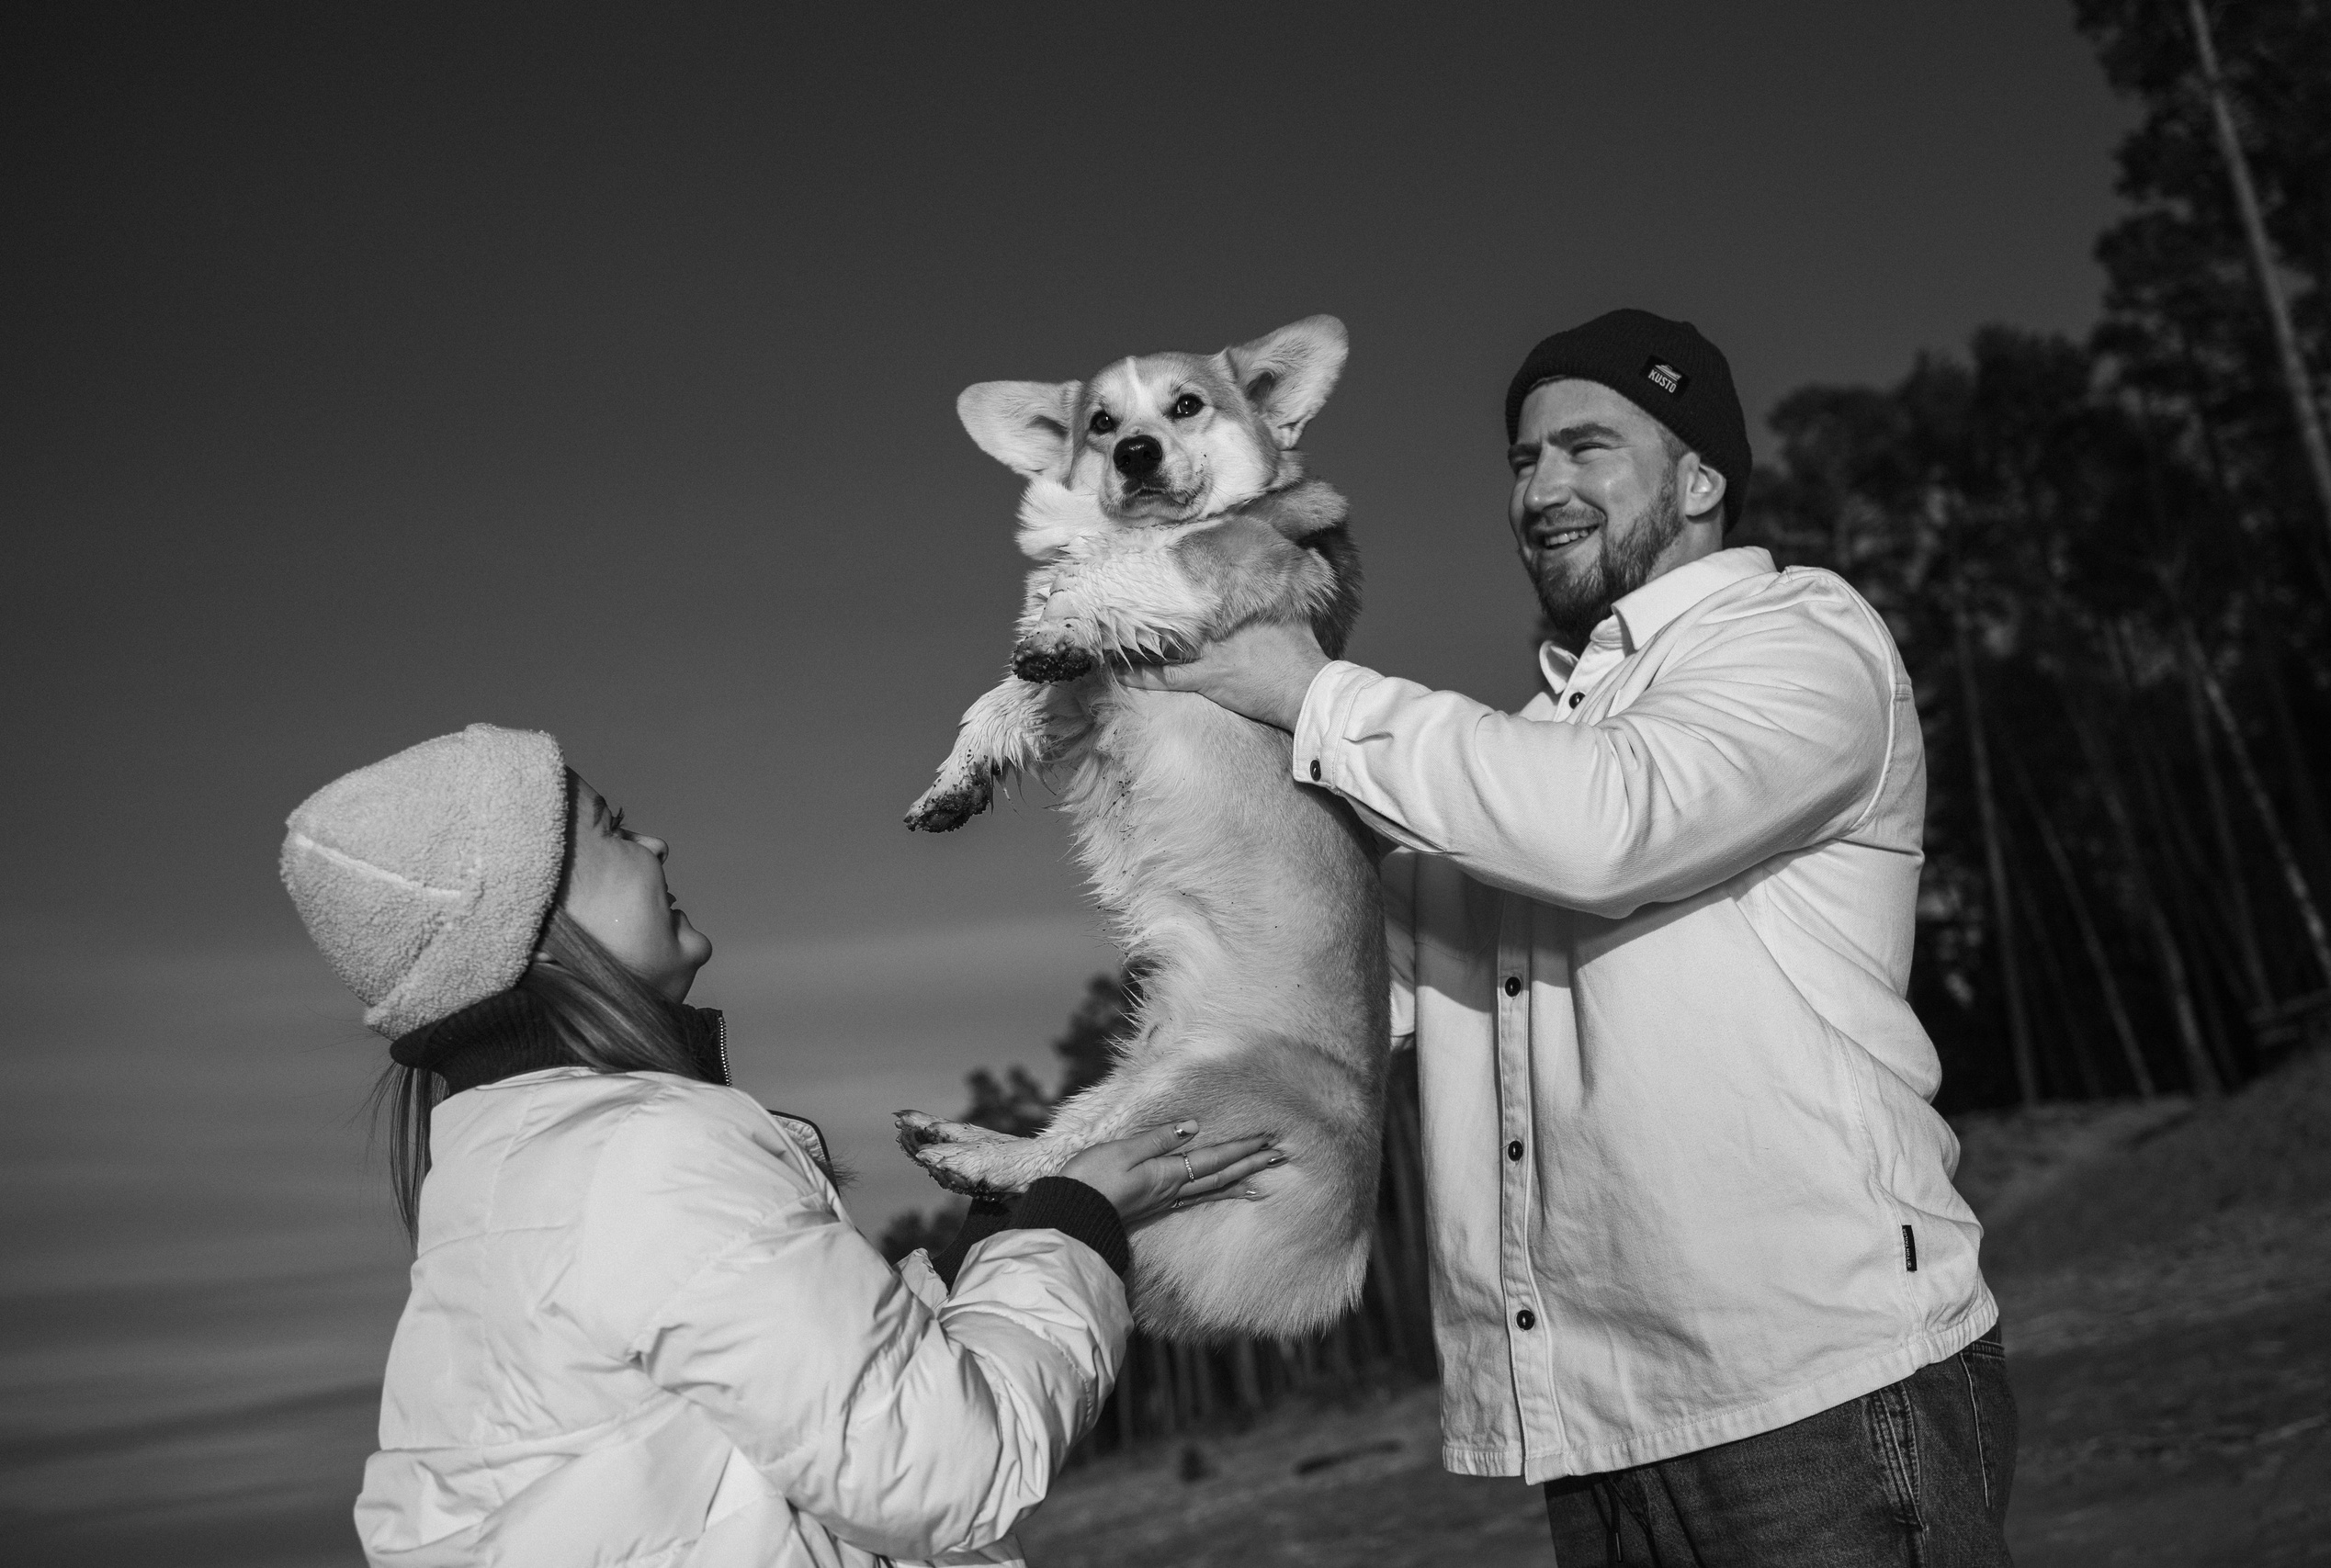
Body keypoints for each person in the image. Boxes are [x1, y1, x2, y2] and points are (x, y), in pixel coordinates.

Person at [1127, 310, 2014, 1564]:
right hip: (1598, 1428)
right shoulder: (1531, 746)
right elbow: (1359, 971)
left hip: (1817, 1390)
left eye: (1587, 447)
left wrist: (1308, 693)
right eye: (1523, 459)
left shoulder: (1802, 638)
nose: (1540, 489)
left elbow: (1610, 827)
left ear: (1699, 481)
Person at [279, 723, 1276, 1567]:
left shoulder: (510, 1179)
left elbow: (758, 1459)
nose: (656, 843)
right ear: (532, 932)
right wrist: (1072, 1226)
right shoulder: (642, 1155)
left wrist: (995, 1244)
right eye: (613, 829)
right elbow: (945, 1470)